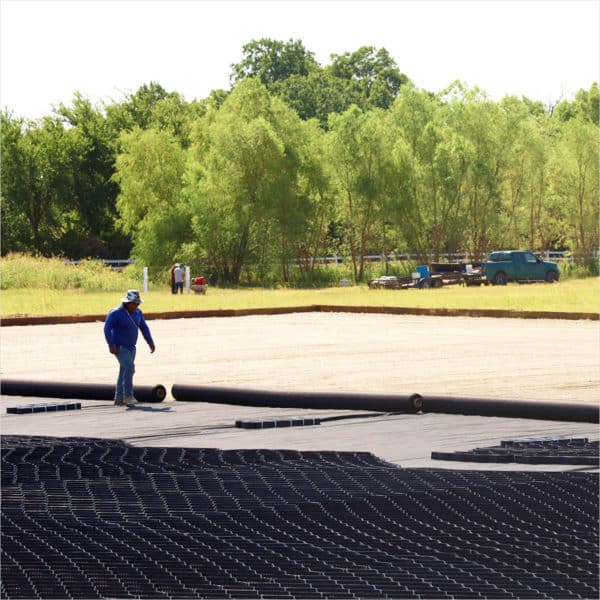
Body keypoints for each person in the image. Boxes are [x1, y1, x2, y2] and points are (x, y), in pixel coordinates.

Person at [104, 289, 156, 406]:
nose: (136, 306)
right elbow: (107, 328)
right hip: (120, 347)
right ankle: (128, 395)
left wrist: (150, 342)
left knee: (124, 371)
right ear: (127, 302)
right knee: (130, 368)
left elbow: (144, 327)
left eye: (138, 303)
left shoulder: (138, 313)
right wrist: (111, 345)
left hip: (132, 347)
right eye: (134, 303)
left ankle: (118, 399)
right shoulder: (116, 313)